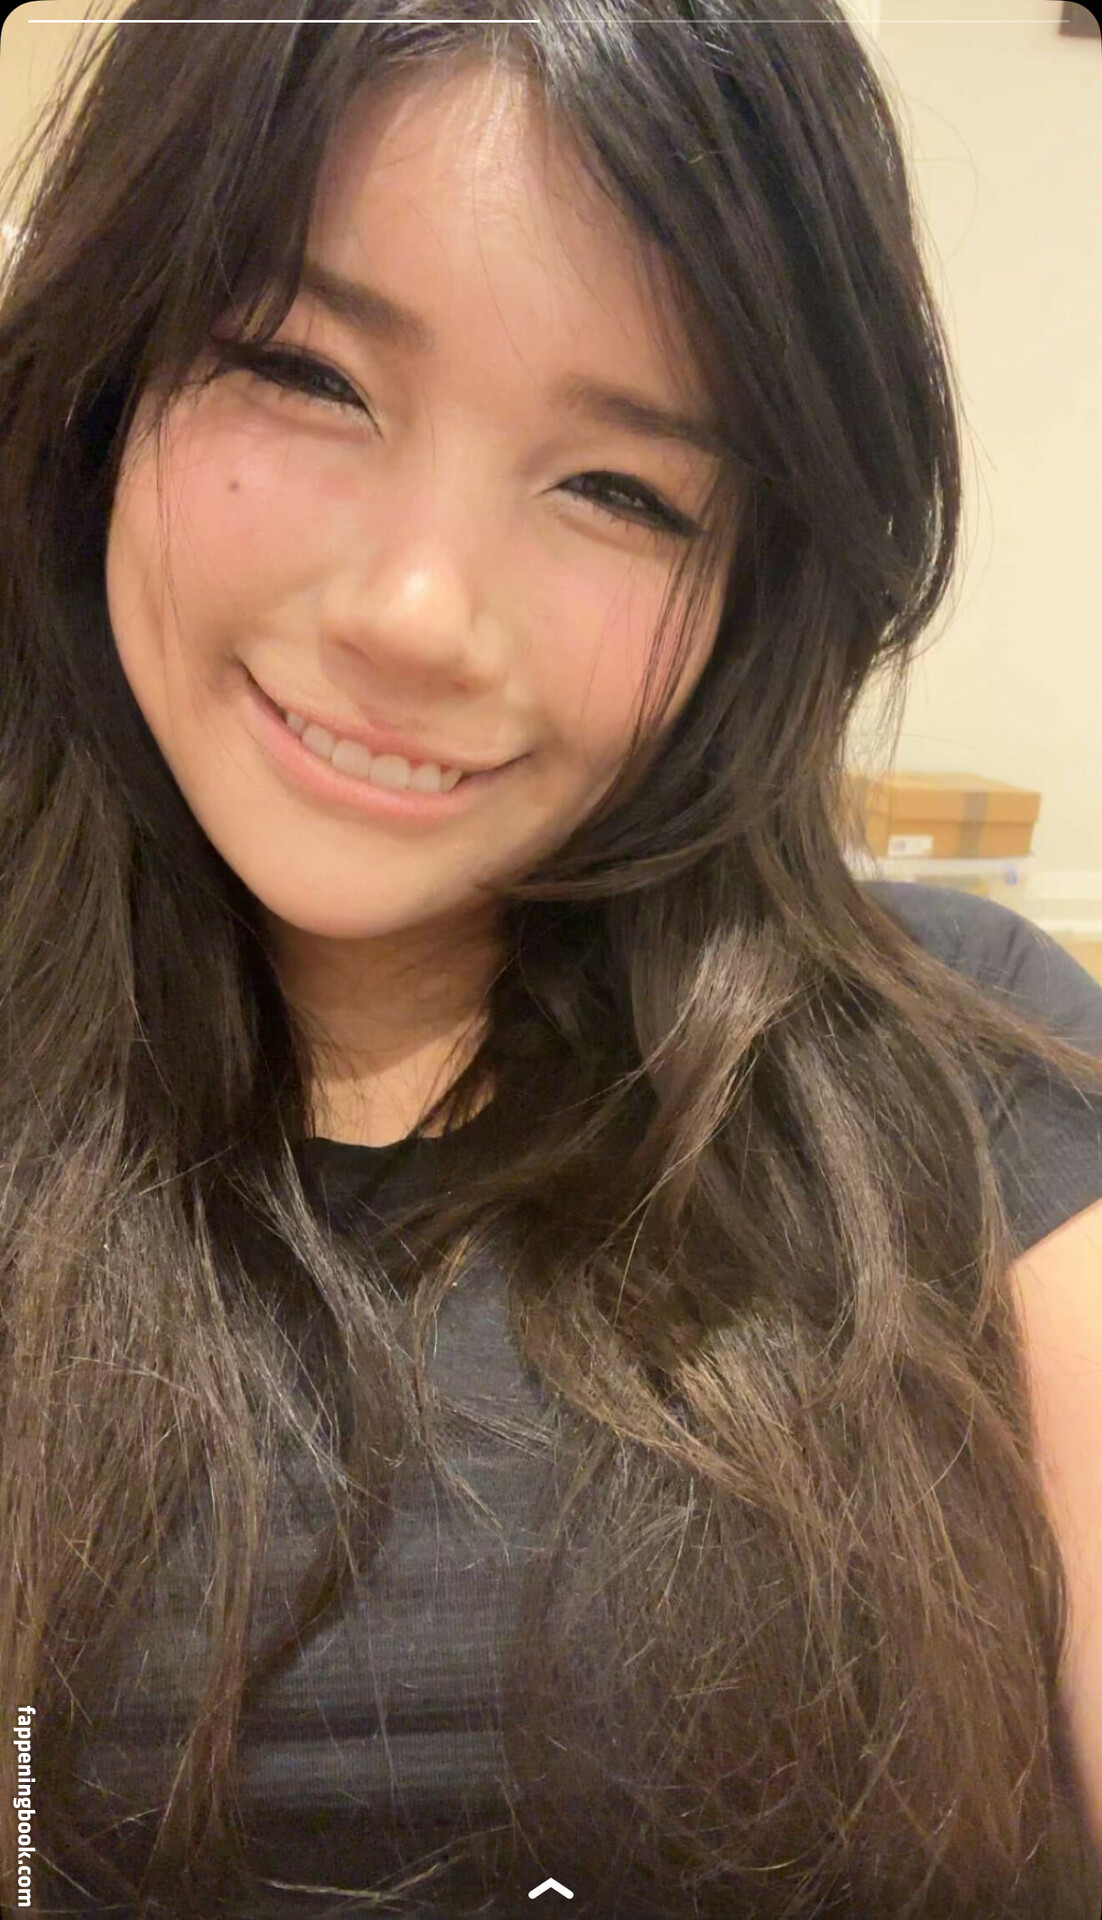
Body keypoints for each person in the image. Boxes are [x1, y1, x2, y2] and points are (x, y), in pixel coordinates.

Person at [1, 2, 1101, 1915]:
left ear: (755, 590)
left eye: (620, 489)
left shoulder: (969, 1070)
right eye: (304, 372)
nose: (419, 614)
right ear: (105, 375)